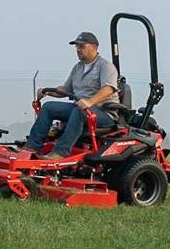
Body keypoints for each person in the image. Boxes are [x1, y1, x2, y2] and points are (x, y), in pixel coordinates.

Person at [25, 31, 118, 160]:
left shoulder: (105, 66)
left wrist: (89, 102)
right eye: (77, 47)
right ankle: (32, 147)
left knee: (79, 111)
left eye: (81, 46)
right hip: (80, 109)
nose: (78, 50)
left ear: (94, 47)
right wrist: (47, 91)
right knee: (48, 107)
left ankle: (60, 152)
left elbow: (108, 89)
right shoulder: (77, 68)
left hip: (103, 113)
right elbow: (65, 89)